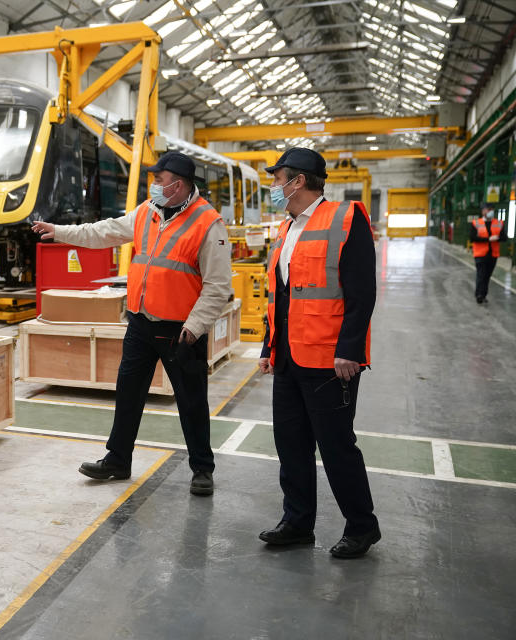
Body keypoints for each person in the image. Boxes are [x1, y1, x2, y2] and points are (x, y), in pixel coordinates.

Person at [31, 151, 232, 495]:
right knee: (128, 394)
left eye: (159, 180)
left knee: (191, 401)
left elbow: (218, 285)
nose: (153, 185)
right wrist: (59, 231)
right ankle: (118, 460)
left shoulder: (208, 224)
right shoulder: (146, 212)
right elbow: (102, 233)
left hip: (180, 331)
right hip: (140, 322)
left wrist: (195, 327)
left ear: (178, 185)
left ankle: (202, 468)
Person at [256, 147, 381, 559]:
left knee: (336, 446)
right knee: (290, 444)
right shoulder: (284, 229)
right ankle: (297, 523)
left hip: (330, 360)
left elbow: (362, 292)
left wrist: (349, 349)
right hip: (290, 357)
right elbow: (281, 296)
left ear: (299, 181)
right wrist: (267, 346)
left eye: (279, 178)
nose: (275, 186)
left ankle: (362, 527)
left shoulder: (346, 219)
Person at [470, 202, 507, 304]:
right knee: (481, 274)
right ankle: (479, 294)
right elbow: (473, 238)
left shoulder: (499, 223)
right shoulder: (476, 223)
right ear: (483, 211)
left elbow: (504, 237)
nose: (490, 211)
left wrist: (497, 238)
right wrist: (488, 239)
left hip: (493, 254)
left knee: (487, 275)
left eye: (492, 209)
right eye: (488, 209)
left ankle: (484, 294)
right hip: (480, 254)